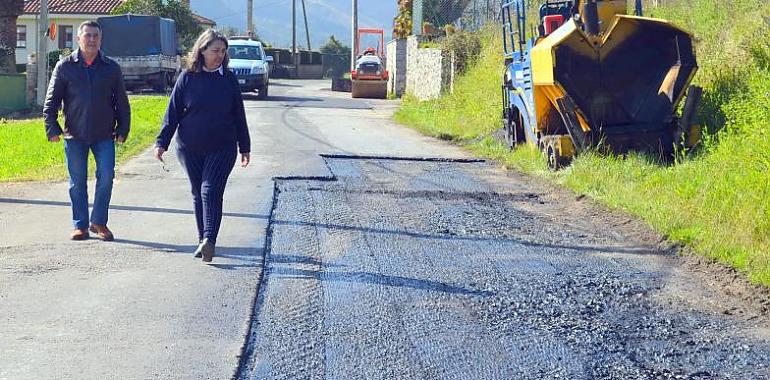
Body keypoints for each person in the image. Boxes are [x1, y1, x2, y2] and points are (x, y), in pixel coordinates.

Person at [155, 29, 251, 263]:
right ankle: (203, 240)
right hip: (190, 147)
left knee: (210, 190)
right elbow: (173, 113)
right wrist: (161, 142)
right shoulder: (187, 78)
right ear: (202, 50)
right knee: (198, 193)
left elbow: (239, 114)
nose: (220, 55)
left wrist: (244, 146)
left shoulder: (228, 79)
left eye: (223, 52)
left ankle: (210, 239)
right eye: (216, 51)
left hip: (223, 146)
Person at [43, 20, 131, 241]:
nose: (91, 40)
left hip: (104, 135)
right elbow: (51, 102)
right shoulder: (65, 67)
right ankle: (80, 225)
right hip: (74, 135)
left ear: (100, 39)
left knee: (106, 177)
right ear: (78, 38)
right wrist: (51, 127)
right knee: (77, 182)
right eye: (87, 35)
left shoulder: (111, 68)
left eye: (95, 36)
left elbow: (122, 101)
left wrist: (123, 128)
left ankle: (99, 222)